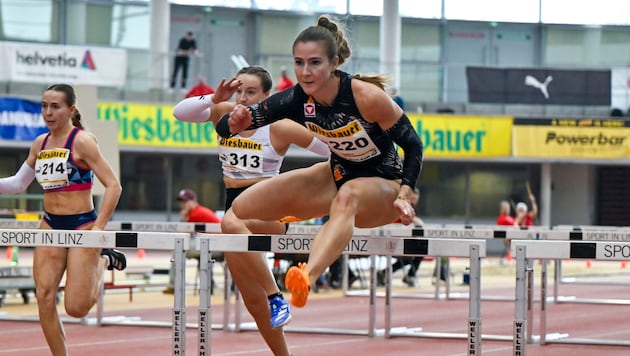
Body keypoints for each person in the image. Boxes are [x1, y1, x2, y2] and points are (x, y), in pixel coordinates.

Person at [216, 15, 423, 311]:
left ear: (334, 63)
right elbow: (227, 129)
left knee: (347, 197)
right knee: (241, 209)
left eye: (314, 63)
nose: (305, 71)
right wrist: (233, 122)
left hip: (384, 186)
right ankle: (296, 230)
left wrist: (405, 191)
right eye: (298, 62)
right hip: (337, 174)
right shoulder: (296, 100)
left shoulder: (365, 97)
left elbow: (413, 144)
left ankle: (306, 277)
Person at [173, 66, 330, 356]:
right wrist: (213, 97)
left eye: (251, 92)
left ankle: (276, 295)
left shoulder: (279, 126)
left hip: (268, 207)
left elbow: (329, 149)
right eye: (239, 91)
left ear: (267, 96)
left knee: (231, 224)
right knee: (252, 301)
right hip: (233, 204)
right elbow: (180, 113)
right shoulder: (223, 114)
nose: (242, 99)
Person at [0, 83, 125, 355]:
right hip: (50, 225)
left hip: (82, 225)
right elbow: (19, 184)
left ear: (71, 110)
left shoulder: (82, 141)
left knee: (76, 308)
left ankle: (102, 260)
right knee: (44, 297)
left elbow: (114, 185)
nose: (48, 112)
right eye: (44, 106)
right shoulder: (40, 144)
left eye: (55, 106)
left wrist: (99, 230)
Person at [162, 188, 221, 295]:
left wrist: (183, 217)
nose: (183, 205)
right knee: (196, 251)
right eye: (181, 202)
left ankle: (173, 285)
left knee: (178, 250)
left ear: (193, 200)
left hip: (218, 247)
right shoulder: (200, 210)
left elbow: (183, 234)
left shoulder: (196, 213)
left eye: (185, 201)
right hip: (215, 245)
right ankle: (209, 284)